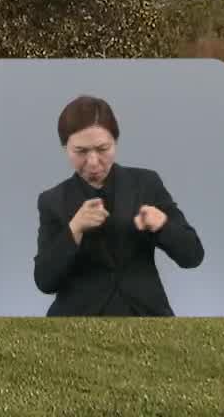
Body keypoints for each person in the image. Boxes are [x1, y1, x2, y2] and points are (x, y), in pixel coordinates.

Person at [32, 94, 204, 315]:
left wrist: (163, 224)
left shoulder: (146, 184)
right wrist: (74, 229)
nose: (93, 162)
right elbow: (44, 281)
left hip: (146, 314)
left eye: (102, 149)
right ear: (65, 147)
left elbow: (193, 256)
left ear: (115, 142)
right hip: (78, 320)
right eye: (81, 151)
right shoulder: (52, 201)